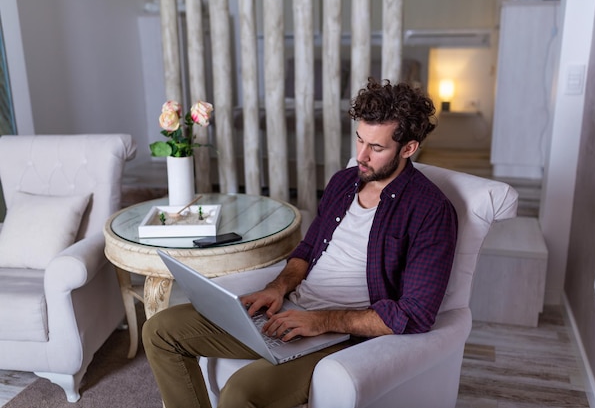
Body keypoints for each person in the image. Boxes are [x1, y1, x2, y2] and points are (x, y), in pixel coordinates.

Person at [143, 77, 458, 408]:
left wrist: (321, 321)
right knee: (160, 330)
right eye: (359, 140)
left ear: (408, 148)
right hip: (289, 310)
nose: (361, 157)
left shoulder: (431, 210)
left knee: (240, 393)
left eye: (376, 148)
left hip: (338, 336)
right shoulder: (343, 182)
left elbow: (416, 314)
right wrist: (278, 287)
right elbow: (307, 251)